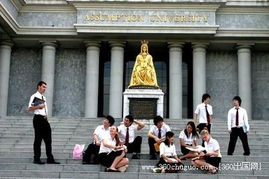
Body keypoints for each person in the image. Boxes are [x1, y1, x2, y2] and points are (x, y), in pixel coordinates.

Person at [28, 81, 60, 164]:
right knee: (38, 139)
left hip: (44, 119)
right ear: (39, 87)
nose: (44, 89)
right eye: (43, 87)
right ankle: (36, 158)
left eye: (45, 87)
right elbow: (29, 108)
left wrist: (46, 117)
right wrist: (39, 106)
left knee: (48, 139)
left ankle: (50, 158)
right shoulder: (34, 96)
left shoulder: (43, 97)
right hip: (38, 119)